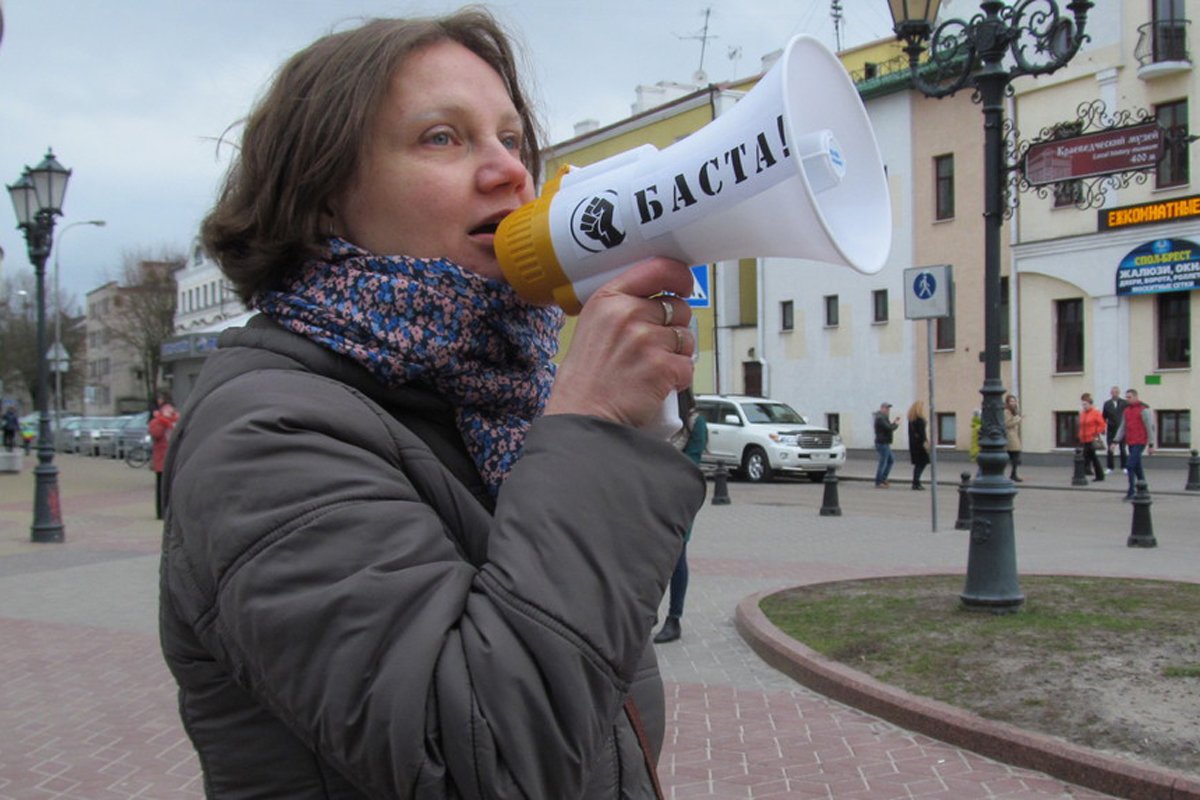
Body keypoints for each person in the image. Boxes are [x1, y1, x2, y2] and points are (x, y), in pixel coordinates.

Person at [157, 11, 705, 799]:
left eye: (511, 140)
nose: (510, 174)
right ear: (320, 201)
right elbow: (481, 760)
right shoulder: (265, 436)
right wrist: (592, 427)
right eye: (443, 138)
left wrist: (629, 422)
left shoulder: (490, 398)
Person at [654, 392, 708, 644]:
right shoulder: (655, 418)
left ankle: (674, 619)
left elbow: (693, 461)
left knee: (676, 555)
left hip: (679, 495)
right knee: (650, 556)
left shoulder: (695, 422)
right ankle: (647, 613)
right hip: (653, 493)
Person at [1114, 388, 1155, 501]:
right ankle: (1144, 488)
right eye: (1126, 397)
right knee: (1137, 466)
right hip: (1131, 441)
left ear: (1136, 397)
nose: (1127, 399)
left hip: (1140, 441)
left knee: (1130, 465)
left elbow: (1149, 428)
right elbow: (1123, 427)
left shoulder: (1143, 410)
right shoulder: (1127, 411)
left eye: (1129, 397)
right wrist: (1115, 441)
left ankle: (1131, 491)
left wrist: (1151, 444)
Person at [147, 390, 179, 520]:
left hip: (167, 456)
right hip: (167, 457)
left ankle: (166, 512)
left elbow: (157, 434)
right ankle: (166, 512)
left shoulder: (168, 419)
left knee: (166, 486)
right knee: (166, 485)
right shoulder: (166, 419)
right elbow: (157, 434)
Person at [1078, 393, 1106, 482]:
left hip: (1091, 439)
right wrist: (1080, 435)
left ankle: (1084, 474)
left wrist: (1095, 432)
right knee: (1090, 457)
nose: (1084, 406)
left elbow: (1102, 424)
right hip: (1084, 439)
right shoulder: (1083, 414)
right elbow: (1081, 426)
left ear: (1090, 404)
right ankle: (1097, 474)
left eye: (1085, 404)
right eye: (1083, 404)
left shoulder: (1095, 413)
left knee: (1087, 457)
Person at [1102, 385, 1127, 474]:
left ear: (1119, 393)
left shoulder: (1124, 403)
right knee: (1110, 449)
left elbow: (1127, 416)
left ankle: (1124, 466)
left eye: (1116, 392)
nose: (1115, 394)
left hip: (1121, 429)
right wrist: (1102, 428)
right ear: (1111, 393)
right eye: (1113, 392)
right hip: (1111, 429)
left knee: (1122, 449)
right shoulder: (1107, 404)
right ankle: (1110, 467)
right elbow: (1103, 417)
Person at [873, 401, 899, 487]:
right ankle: (879, 481)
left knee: (890, 460)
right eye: (886, 408)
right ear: (882, 408)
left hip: (885, 442)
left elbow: (888, 427)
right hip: (882, 443)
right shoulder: (880, 418)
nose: (888, 410)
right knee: (883, 462)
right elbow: (888, 428)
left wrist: (894, 423)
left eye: (889, 408)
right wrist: (895, 424)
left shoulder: (884, 417)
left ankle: (883, 479)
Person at [905, 400, 929, 491]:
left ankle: (916, 482)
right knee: (922, 463)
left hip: (914, 445)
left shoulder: (911, 420)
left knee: (918, 464)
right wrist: (926, 442)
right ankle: (916, 482)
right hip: (920, 445)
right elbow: (922, 434)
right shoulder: (919, 420)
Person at [1003, 394, 1023, 482]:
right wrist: (1018, 419)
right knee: (1014, 455)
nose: (1013, 403)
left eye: (1014, 401)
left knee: (1015, 456)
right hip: (1010, 436)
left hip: (1013, 435)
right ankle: (1012, 474)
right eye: (1011, 401)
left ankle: (1013, 474)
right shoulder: (1006, 411)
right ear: (1007, 402)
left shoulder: (1013, 411)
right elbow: (1007, 424)